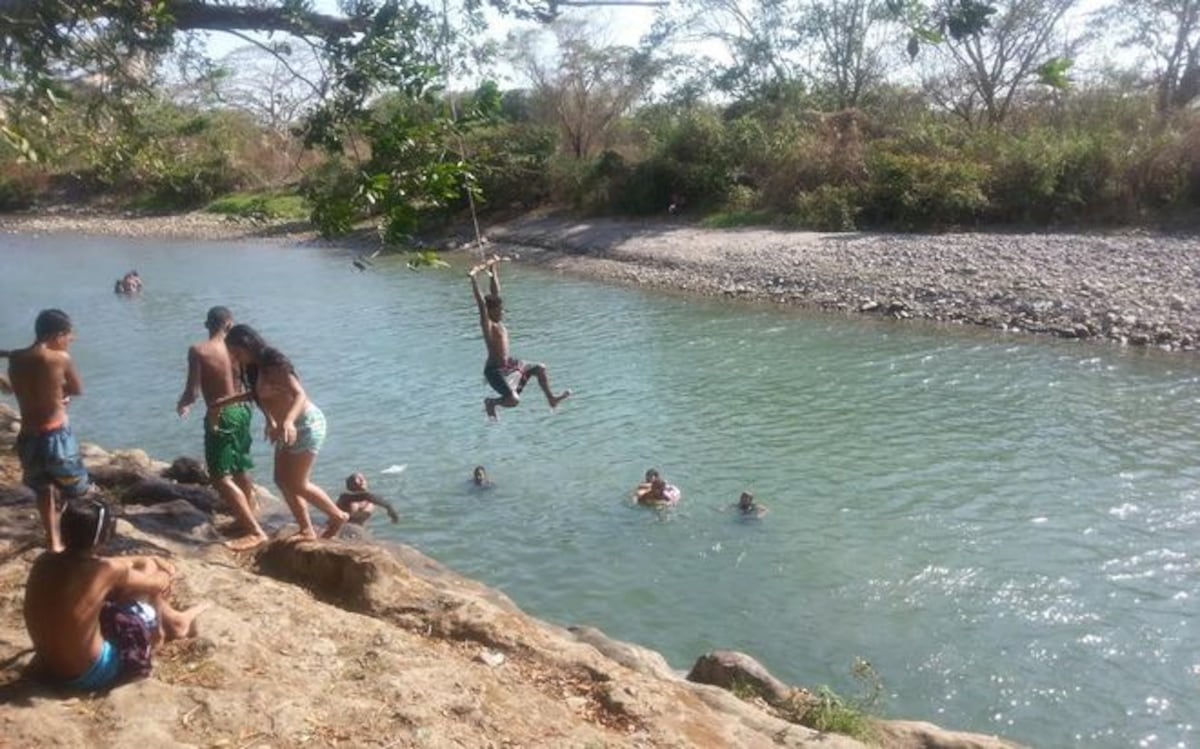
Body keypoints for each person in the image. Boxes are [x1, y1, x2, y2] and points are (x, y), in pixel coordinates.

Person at [23, 498, 207, 691]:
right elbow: (156, 585)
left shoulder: (44, 560)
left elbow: (103, 565)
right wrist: (166, 571)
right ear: (105, 536)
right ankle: (168, 630)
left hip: (48, 667)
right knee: (148, 584)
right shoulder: (105, 571)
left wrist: (148, 558)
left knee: (144, 566)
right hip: (90, 673)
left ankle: (175, 621)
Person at [212, 324, 349, 541]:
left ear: (247, 344)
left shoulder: (273, 362)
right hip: (287, 426)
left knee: (298, 483)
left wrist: (288, 421)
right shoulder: (254, 367)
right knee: (281, 480)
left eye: (236, 352)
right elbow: (259, 395)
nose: (235, 357)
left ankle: (338, 515)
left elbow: (299, 394)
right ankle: (306, 528)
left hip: (305, 424)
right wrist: (234, 404)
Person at [176, 306, 267, 551]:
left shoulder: (199, 350)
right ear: (229, 324)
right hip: (243, 410)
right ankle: (248, 514)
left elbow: (193, 391)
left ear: (207, 324)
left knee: (219, 476)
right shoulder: (238, 350)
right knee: (240, 465)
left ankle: (253, 530)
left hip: (220, 412)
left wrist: (183, 404)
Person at [2, 310, 93, 551]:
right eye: (68, 335)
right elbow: (77, 388)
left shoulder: (16, 358)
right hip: (57, 436)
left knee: (44, 490)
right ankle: (79, 543)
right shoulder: (59, 358)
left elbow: (14, 389)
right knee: (76, 490)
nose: (71, 340)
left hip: (28, 436)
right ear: (56, 334)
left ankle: (53, 542)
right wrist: (60, 394)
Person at [469, 255, 571, 421]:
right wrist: (473, 279)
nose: (502, 312)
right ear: (491, 311)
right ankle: (491, 403)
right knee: (514, 401)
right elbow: (481, 305)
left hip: (508, 364)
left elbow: (496, 292)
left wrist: (493, 269)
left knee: (540, 368)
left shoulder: (498, 321)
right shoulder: (488, 325)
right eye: (500, 310)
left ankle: (551, 399)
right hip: (494, 371)